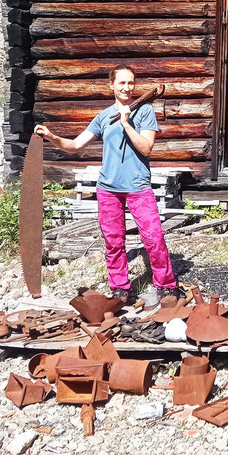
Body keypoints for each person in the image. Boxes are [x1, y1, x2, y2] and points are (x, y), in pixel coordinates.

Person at [35, 65, 181, 302]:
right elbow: (75, 145)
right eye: (121, 83)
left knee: (154, 237)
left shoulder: (144, 112)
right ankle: (120, 288)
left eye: (131, 83)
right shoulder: (103, 117)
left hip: (138, 187)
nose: (127, 87)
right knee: (113, 241)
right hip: (108, 189)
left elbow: (146, 147)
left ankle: (166, 286)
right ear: (111, 85)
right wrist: (51, 136)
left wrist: (125, 123)